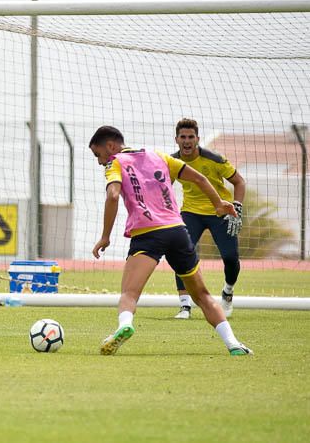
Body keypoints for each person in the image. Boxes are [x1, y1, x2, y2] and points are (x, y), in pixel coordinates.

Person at [89, 125, 251, 356]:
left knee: (129, 294)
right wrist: (218, 203)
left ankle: (125, 325)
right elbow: (201, 178)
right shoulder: (159, 156)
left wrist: (105, 236)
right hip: (177, 231)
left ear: (111, 146)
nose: (99, 161)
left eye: (98, 154)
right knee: (203, 295)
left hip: (147, 235)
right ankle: (233, 344)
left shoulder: (114, 162)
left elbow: (113, 195)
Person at [171, 118, 245, 319]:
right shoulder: (171, 162)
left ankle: (228, 292)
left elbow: (239, 182)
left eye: (191, 137)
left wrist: (237, 208)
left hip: (220, 211)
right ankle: (185, 306)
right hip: (190, 212)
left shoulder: (214, 159)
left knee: (230, 258)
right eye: (183, 137)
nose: (187, 141)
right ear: (176, 139)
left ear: (197, 139)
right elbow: (162, 187)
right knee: (181, 253)